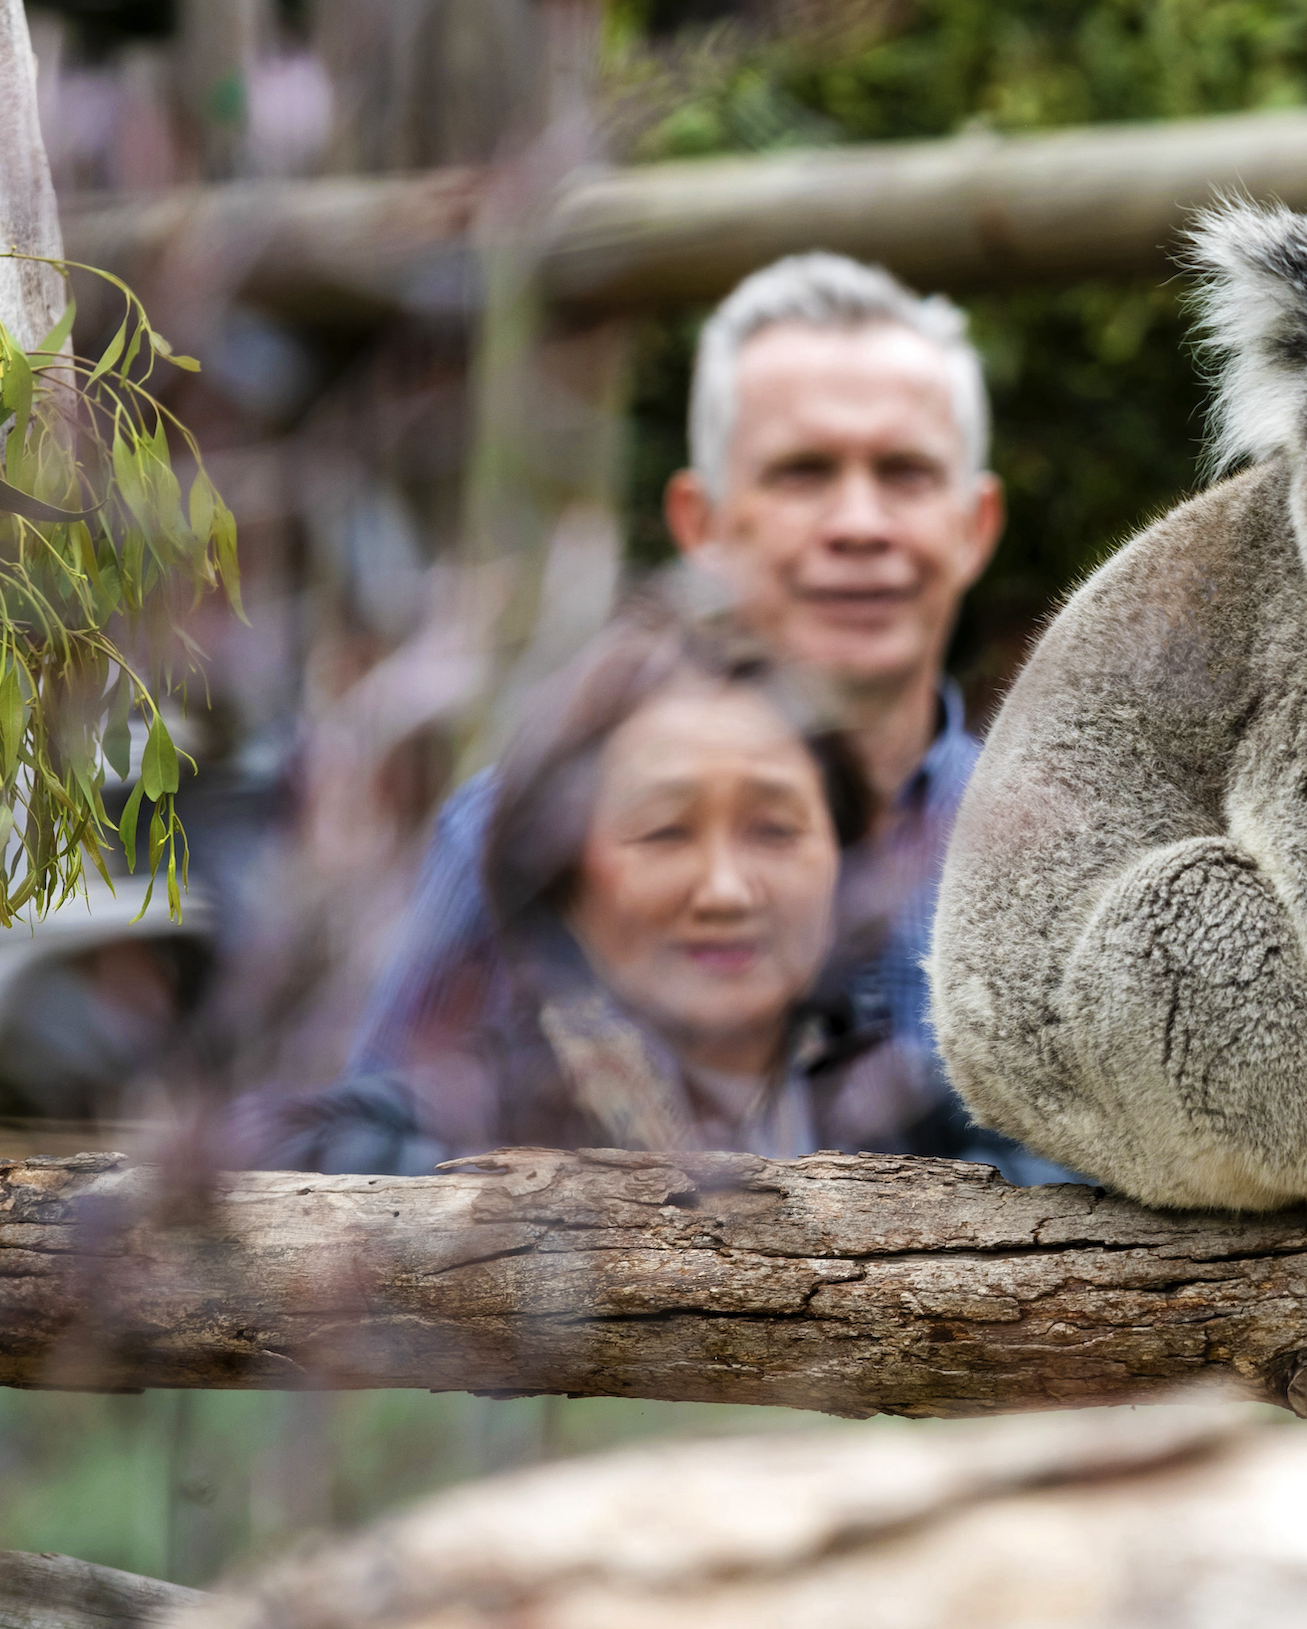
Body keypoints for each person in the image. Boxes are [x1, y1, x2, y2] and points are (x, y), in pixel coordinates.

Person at [313, 251, 1052, 1173]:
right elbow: (357, 1184)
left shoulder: (1062, 851)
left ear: (976, 524)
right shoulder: (519, 826)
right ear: (700, 524)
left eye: (905, 472)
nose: (860, 523)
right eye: (803, 472)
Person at [250, 610, 905, 1167]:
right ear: (559, 873)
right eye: (665, 832)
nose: (726, 891)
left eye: (774, 829)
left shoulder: (925, 1120)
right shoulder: (457, 1125)